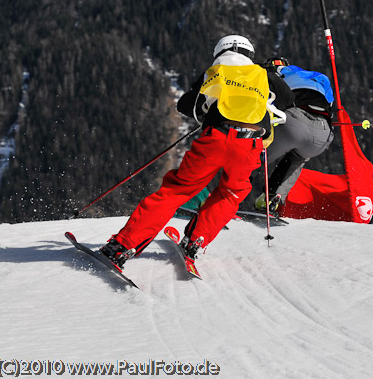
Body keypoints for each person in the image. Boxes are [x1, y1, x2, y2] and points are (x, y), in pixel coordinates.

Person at [100, 35, 293, 269]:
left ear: (219, 51)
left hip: (216, 137)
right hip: (249, 145)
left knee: (178, 190)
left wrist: (208, 110)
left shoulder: (216, 70)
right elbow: (288, 100)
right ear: (250, 54)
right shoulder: (264, 76)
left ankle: (122, 246)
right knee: (232, 193)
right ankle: (195, 242)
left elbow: (186, 105)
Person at [253, 57, 335, 213]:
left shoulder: (273, 73)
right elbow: (330, 105)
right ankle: (272, 197)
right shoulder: (318, 77)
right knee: (297, 158)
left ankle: (229, 194)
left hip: (293, 122)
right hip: (323, 134)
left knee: (252, 156)